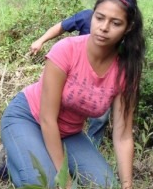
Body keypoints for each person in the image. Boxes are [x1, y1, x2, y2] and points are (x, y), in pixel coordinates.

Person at [0, 0, 145, 189]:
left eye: (115, 23)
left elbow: (123, 135)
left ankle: (40, 156)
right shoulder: (66, 50)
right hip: (29, 118)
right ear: (92, 16)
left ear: (128, 28)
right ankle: (12, 160)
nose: (103, 28)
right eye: (99, 18)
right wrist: (64, 181)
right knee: (45, 188)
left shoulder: (127, 69)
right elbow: (47, 118)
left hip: (69, 133)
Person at [30, 7, 109, 146]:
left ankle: (89, 148)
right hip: (72, 75)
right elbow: (61, 27)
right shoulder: (86, 17)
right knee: (55, 109)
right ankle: (38, 139)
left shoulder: (119, 30)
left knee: (100, 118)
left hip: (99, 81)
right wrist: (40, 40)